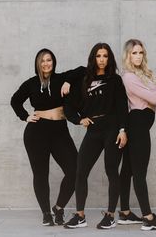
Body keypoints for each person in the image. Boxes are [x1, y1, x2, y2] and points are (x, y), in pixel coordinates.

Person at [10, 48, 83, 226]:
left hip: (60, 131)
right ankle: (46, 213)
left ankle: (58, 208)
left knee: (75, 171)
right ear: (38, 64)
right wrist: (25, 116)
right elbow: (15, 100)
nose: (46, 63)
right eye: (42, 61)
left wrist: (68, 81)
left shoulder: (60, 79)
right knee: (41, 174)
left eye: (49, 60)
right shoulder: (31, 83)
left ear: (53, 62)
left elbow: (84, 69)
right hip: (37, 133)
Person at [63, 43, 128, 229]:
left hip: (112, 129)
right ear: (93, 57)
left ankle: (110, 215)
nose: (101, 59)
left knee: (111, 170)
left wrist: (123, 130)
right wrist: (78, 119)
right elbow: (69, 105)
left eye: (105, 56)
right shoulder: (84, 79)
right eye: (98, 56)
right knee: (80, 171)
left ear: (109, 59)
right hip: (93, 129)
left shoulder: (115, 80)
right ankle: (80, 215)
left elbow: (122, 107)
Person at [118, 39, 156, 230]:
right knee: (139, 173)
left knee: (128, 171)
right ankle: (148, 217)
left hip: (138, 125)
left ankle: (124, 212)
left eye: (140, 52)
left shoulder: (143, 74)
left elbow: (154, 95)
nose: (138, 56)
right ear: (128, 55)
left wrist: (155, 94)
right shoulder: (129, 77)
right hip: (137, 125)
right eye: (134, 53)